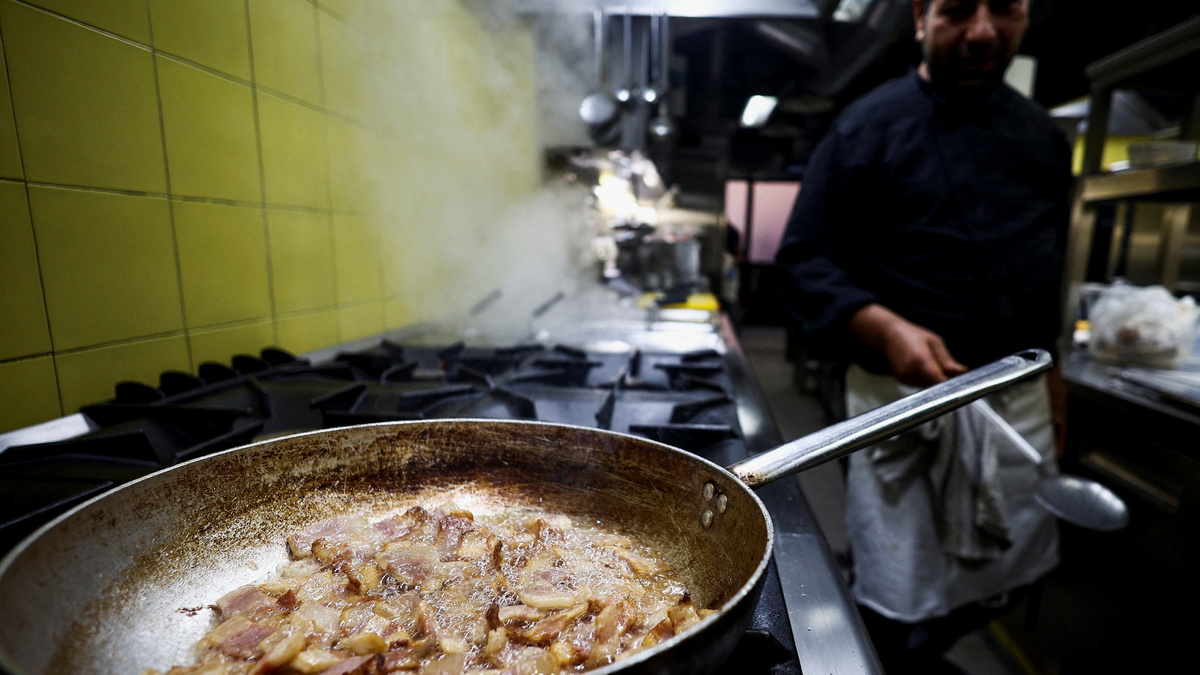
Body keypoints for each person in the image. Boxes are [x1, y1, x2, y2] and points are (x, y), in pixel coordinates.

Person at [774, 0, 1072, 672]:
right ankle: (892, 652)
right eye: (959, 10)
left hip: (1014, 397)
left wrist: (1056, 387)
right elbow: (803, 262)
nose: (984, 31)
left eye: (1008, 10)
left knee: (1006, 565)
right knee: (896, 579)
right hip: (901, 402)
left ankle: (920, 653)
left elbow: (1045, 279)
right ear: (919, 16)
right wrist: (883, 327)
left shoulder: (1044, 138)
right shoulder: (866, 128)